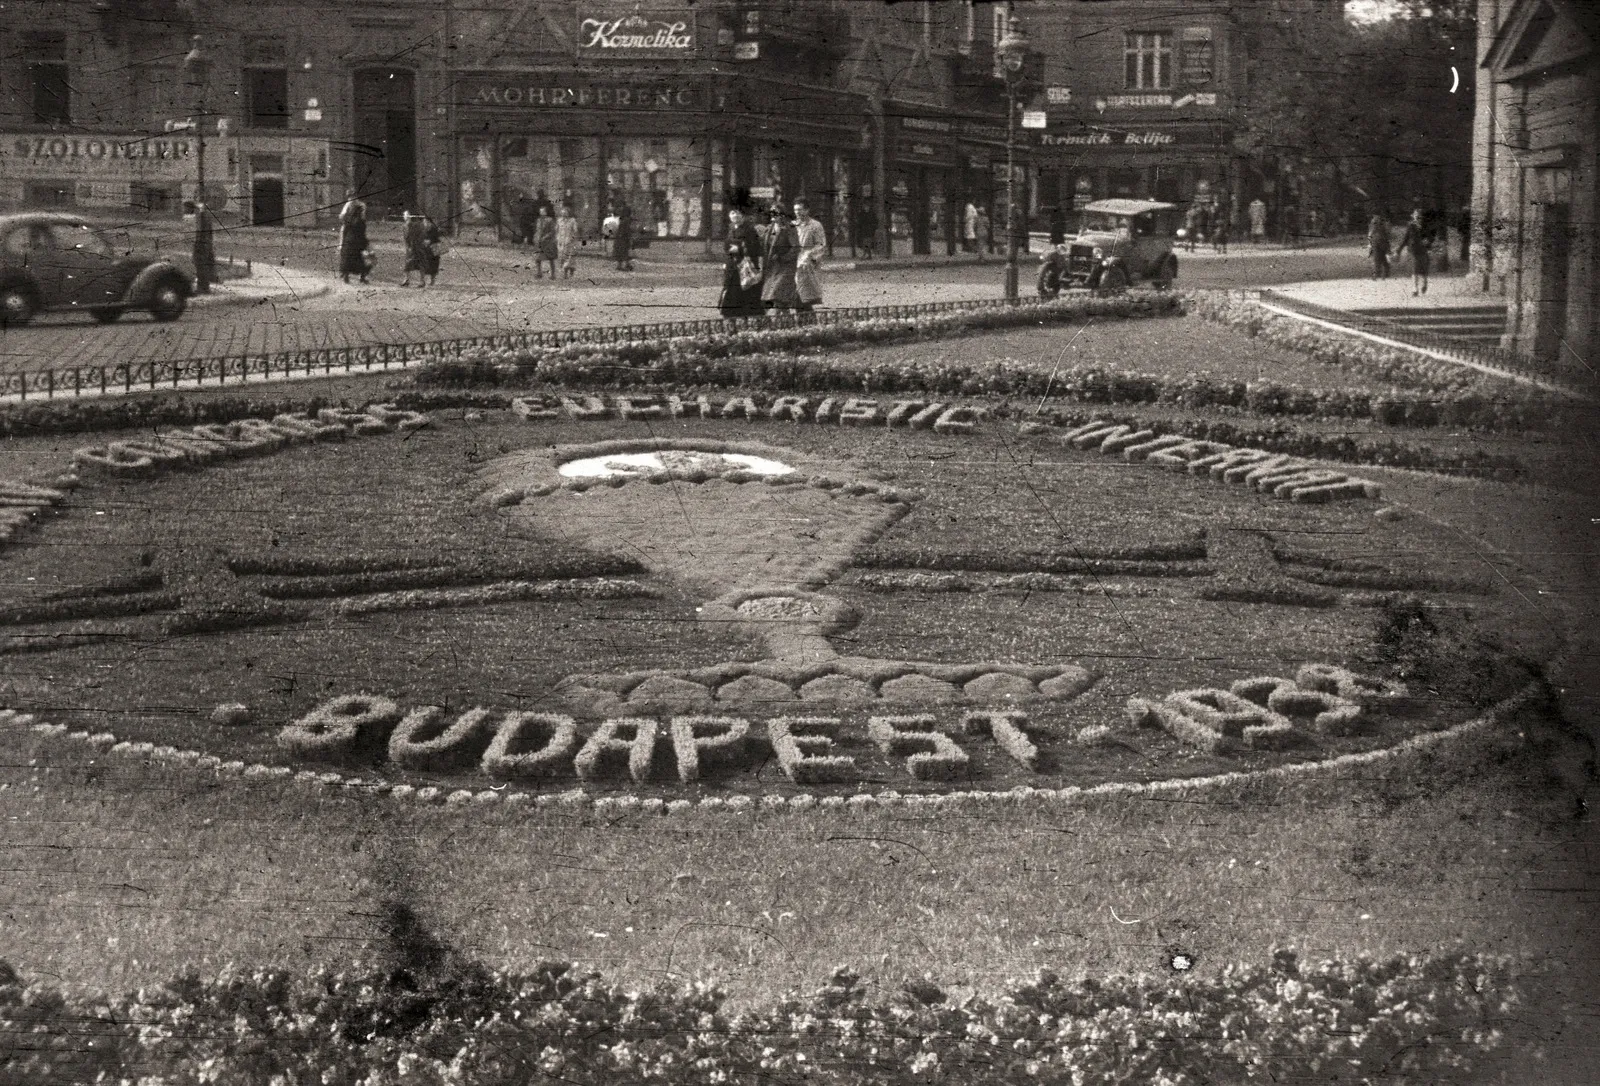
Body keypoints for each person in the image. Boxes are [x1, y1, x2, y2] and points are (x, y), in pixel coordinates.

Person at [718, 206, 765, 319]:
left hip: (746, 268)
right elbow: (726, 246)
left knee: (747, 295)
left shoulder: (750, 230)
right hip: (732, 268)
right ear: (729, 216)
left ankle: (752, 324)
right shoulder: (731, 229)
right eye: (733, 213)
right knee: (731, 295)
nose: (735, 216)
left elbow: (755, 247)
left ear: (743, 216)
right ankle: (731, 324)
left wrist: (739, 249)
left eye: (738, 213)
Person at [760, 205, 800, 313]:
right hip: (772, 268)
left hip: (786, 268)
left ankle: (781, 324)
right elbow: (764, 246)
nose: (773, 215)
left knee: (778, 296)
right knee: (773, 299)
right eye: (772, 212)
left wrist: (783, 257)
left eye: (776, 213)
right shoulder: (769, 229)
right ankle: (785, 324)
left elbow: (796, 248)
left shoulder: (789, 228)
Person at [793, 198, 827, 314]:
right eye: (796, 210)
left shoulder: (815, 226)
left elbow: (821, 245)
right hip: (793, 263)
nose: (797, 212)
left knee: (805, 297)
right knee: (796, 296)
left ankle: (807, 325)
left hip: (807, 265)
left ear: (807, 210)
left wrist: (810, 256)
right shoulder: (792, 225)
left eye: (800, 209)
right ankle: (806, 324)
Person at [1397, 207, 1433, 295]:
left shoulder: (1426, 226)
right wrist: (1399, 250)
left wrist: (1428, 241)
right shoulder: (1410, 226)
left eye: (1419, 216)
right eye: (1416, 216)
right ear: (1413, 216)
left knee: (1424, 270)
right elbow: (1405, 239)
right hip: (1413, 250)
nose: (1417, 218)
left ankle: (1424, 283)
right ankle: (1415, 289)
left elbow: (1431, 237)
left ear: (1422, 217)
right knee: (1415, 269)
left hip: (1423, 250)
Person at [338, 195, 369, 284]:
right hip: (357, 242)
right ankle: (362, 277)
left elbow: (344, 229)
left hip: (349, 241)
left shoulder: (349, 219)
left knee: (347, 259)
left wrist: (342, 242)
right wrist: (365, 243)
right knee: (360, 260)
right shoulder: (361, 221)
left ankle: (346, 276)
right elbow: (363, 232)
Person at [400, 210, 426, 287]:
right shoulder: (405, 225)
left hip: (416, 247)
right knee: (408, 264)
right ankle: (407, 279)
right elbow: (406, 237)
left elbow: (418, 236)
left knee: (420, 263)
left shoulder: (416, 226)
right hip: (411, 247)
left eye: (405, 215)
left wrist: (412, 246)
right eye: (404, 215)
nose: (404, 217)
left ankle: (422, 281)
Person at [531, 204, 558, 279]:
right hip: (539, 242)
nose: (541, 213)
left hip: (548, 242)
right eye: (540, 212)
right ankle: (539, 273)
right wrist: (535, 237)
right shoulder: (538, 220)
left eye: (543, 212)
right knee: (537, 258)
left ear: (546, 212)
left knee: (551, 258)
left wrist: (545, 237)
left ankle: (553, 275)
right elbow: (537, 230)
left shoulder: (550, 220)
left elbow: (552, 231)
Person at [555, 203, 581, 280]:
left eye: (565, 213)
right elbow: (556, 230)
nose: (564, 215)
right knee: (562, 257)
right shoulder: (559, 221)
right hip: (561, 242)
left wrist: (573, 238)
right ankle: (565, 272)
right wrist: (557, 239)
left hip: (570, 242)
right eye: (562, 213)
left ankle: (569, 272)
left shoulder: (572, 221)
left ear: (568, 213)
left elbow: (575, 231)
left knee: (569, 258)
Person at [420, 214, 443, 287]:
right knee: (426, 264)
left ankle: (429, 281)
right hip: (427, 249)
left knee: (432, 265)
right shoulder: (426, 228)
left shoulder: (432, 228)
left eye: (425, 221)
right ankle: (424, 281)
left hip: (433, 248)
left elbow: (435, 238)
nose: (424, 223)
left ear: (428, 221)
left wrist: (428, 241)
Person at [1367, 213, 1392, 279]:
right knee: (1377, 258)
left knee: (1382, 258)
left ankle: (1383, 273)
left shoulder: (1383, 223)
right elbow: (1370, 235)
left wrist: (1370, 243)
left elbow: (1370, 235)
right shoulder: (1374, 224)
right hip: (1377, 243)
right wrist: (1370, 243)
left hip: (1381, 242)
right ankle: (1378, 273)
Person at [612, 200, 634, 271]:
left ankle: (623, 265)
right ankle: (623, 265)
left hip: (620, 238)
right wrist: (629, 237)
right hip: (623, 238)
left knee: (622, 252)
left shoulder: (622, 220)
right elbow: (627, 230)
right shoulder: (626, 220)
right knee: (624, 251)